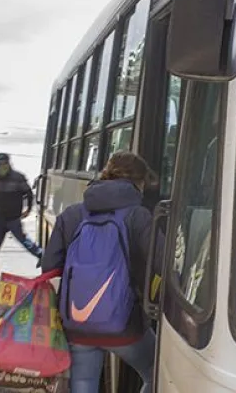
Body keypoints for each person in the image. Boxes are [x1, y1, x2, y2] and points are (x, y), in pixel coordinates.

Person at [41, 151, 156, 393]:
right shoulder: (139, 216)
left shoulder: (71, 214)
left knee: (83, 384)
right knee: (157, 373)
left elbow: (50, 266)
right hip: (126, 325)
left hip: (78, 325)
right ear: (139, 182)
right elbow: (161, 262)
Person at [0, 153, 42, 260]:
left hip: (13, 218)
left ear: (9, 163)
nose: (3, 165)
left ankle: (40, 254)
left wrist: (28, 209)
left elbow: (29, 193)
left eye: (5, 163)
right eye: (1, 163)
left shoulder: (18, 178)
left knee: (24, 240)